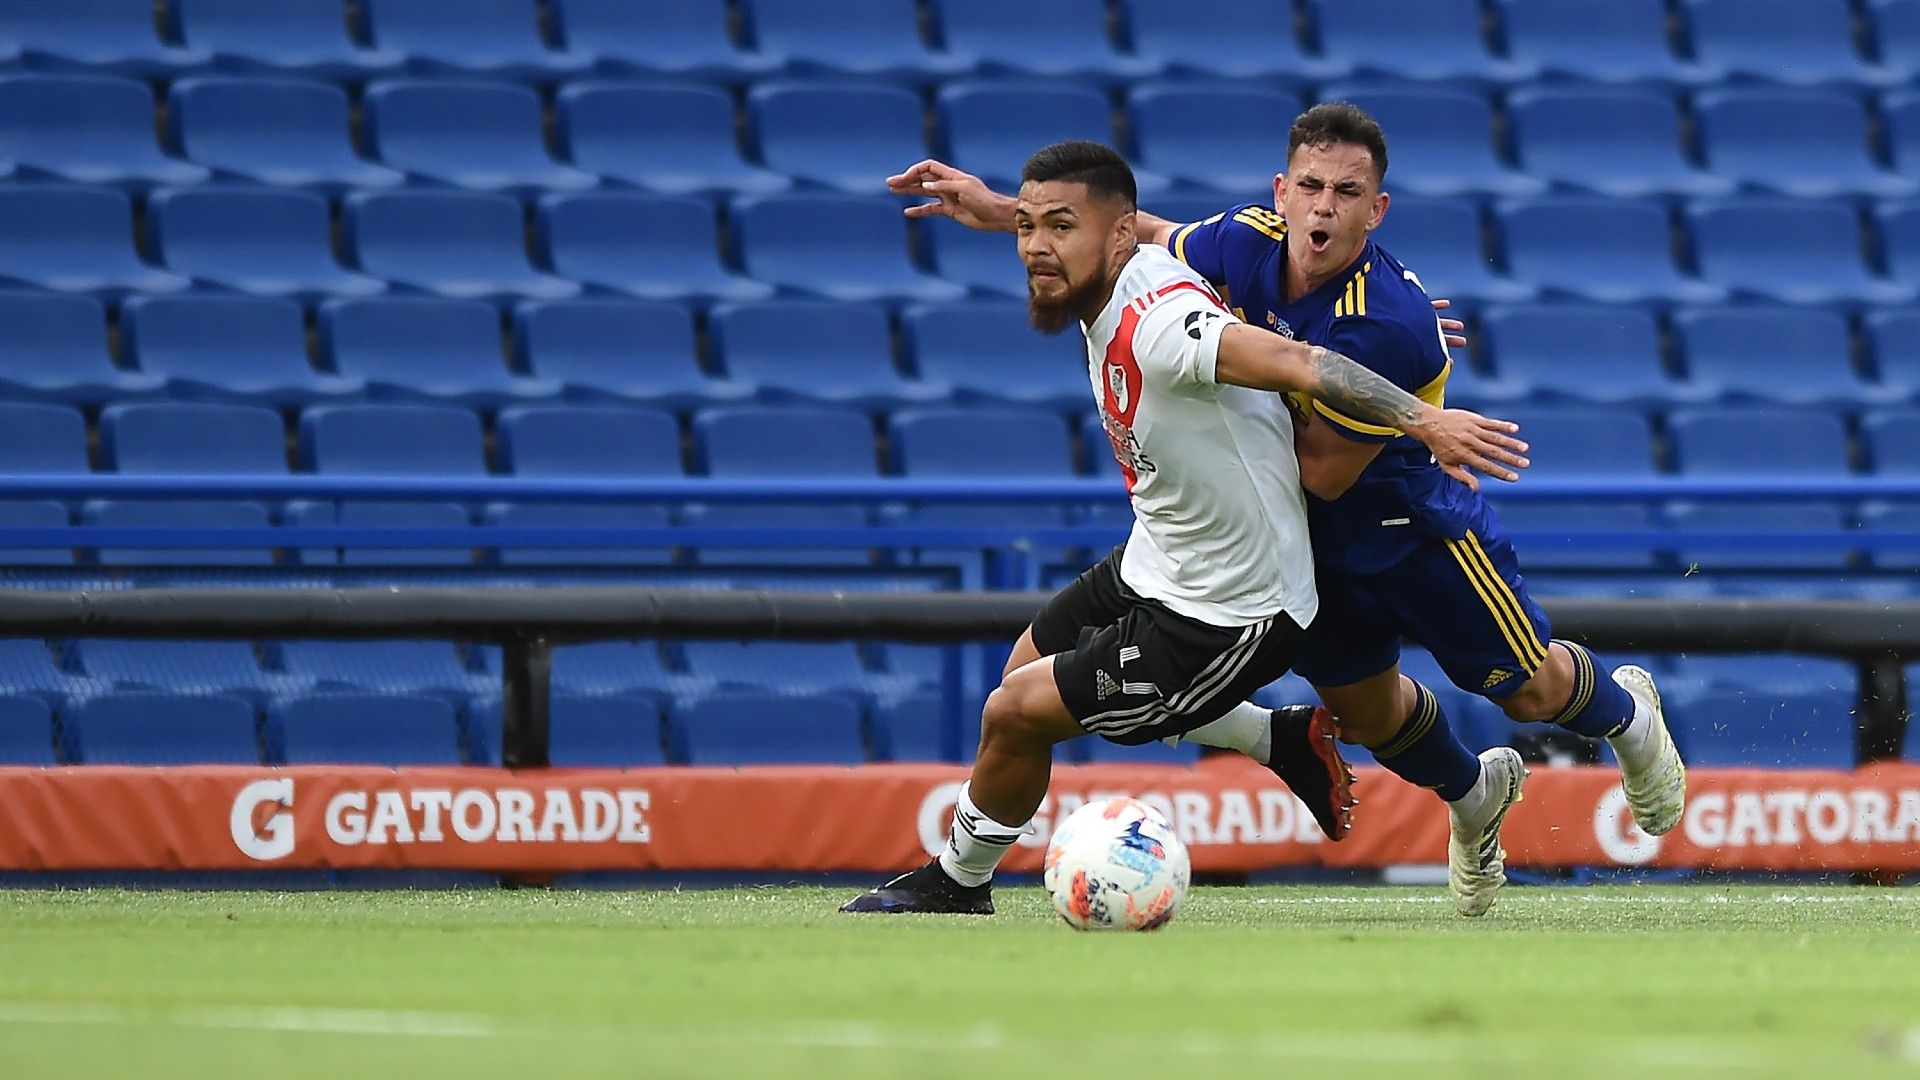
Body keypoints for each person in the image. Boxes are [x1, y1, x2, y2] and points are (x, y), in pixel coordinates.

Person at [882, 103, 1686, 916]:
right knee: (1368, 714)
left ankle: (1629, 717)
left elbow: (1323, 471)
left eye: (1347, 191)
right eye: (1310, 185)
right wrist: (1003, 217)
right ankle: (1474, 798)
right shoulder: (1247, 241)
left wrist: (1402, 406)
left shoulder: (1386, 321)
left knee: (1528, 691)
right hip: (1305, 545)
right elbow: (1150, 236)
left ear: (1377, 210)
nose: (1323, 205)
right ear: (1282, 189)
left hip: (1407, 529)